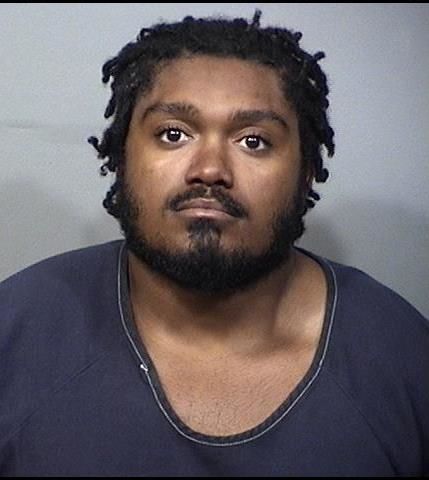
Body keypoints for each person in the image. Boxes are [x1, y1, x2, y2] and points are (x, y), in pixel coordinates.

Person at [1, 10, 428, 477]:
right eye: (173, 134)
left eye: (253, 141)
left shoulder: (402, 356)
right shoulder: (17, 330)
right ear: (121, 158)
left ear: (306, 173)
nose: (209, 170)